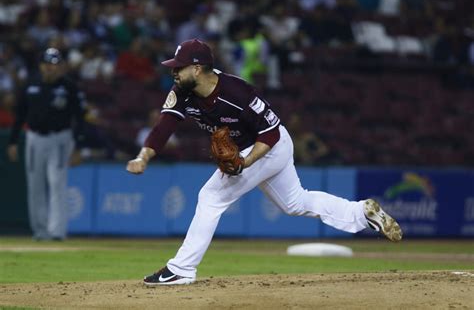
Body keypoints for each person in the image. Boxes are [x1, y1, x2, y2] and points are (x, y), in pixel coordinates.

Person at [126, 39, 402, 286]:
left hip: (269, 145)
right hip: (255, 147)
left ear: (197, 69)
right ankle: (360, 213)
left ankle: (182, 269)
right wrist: (143, 156)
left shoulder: (237, 92)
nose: (174, 71)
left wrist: (245, 162)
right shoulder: (182, 92)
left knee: (210, 197)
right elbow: (163, 127)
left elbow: (270, 132)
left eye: (179, 67)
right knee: (295, 203)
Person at [7, 48, 86, 241]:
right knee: (35, 185)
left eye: (55, 64)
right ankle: (40, 230)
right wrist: (12, 141)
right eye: (48, 64)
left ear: (60, 67)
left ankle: (57, 231)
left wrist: (78, 146)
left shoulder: (69, 87)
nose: (51, 68)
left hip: (60, 138)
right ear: (41, 66)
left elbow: (80, 117)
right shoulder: (30, 85)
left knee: (57, 183)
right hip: (34, 138)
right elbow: (19, 115)